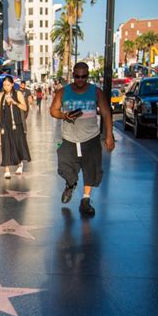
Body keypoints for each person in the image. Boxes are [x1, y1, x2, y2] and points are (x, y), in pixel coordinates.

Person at [50, 61, 115, 217]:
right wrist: (64, 115)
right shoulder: (63, 92)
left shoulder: (96, 92)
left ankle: (85, 200)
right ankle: (70, 184)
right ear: (73, 75)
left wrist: (109, 135)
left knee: (90, 169)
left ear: (88, 76)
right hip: (69, 138)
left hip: (91, 138)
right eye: (77, 76)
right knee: (65, 166)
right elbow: (53, 110)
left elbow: (106, 113)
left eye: (84, 76)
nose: (80, 79)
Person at [0, 75, 31, 178]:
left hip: (16, 124)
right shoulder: (0, 95)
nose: (6, 87)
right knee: (5, 145)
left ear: (12, 84)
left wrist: (14, 102)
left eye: (8, 85)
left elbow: (24, 107)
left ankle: (20, 164)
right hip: (5, 124)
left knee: (17, 144)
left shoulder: (18, 93)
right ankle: (6, 169)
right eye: (4, 85)